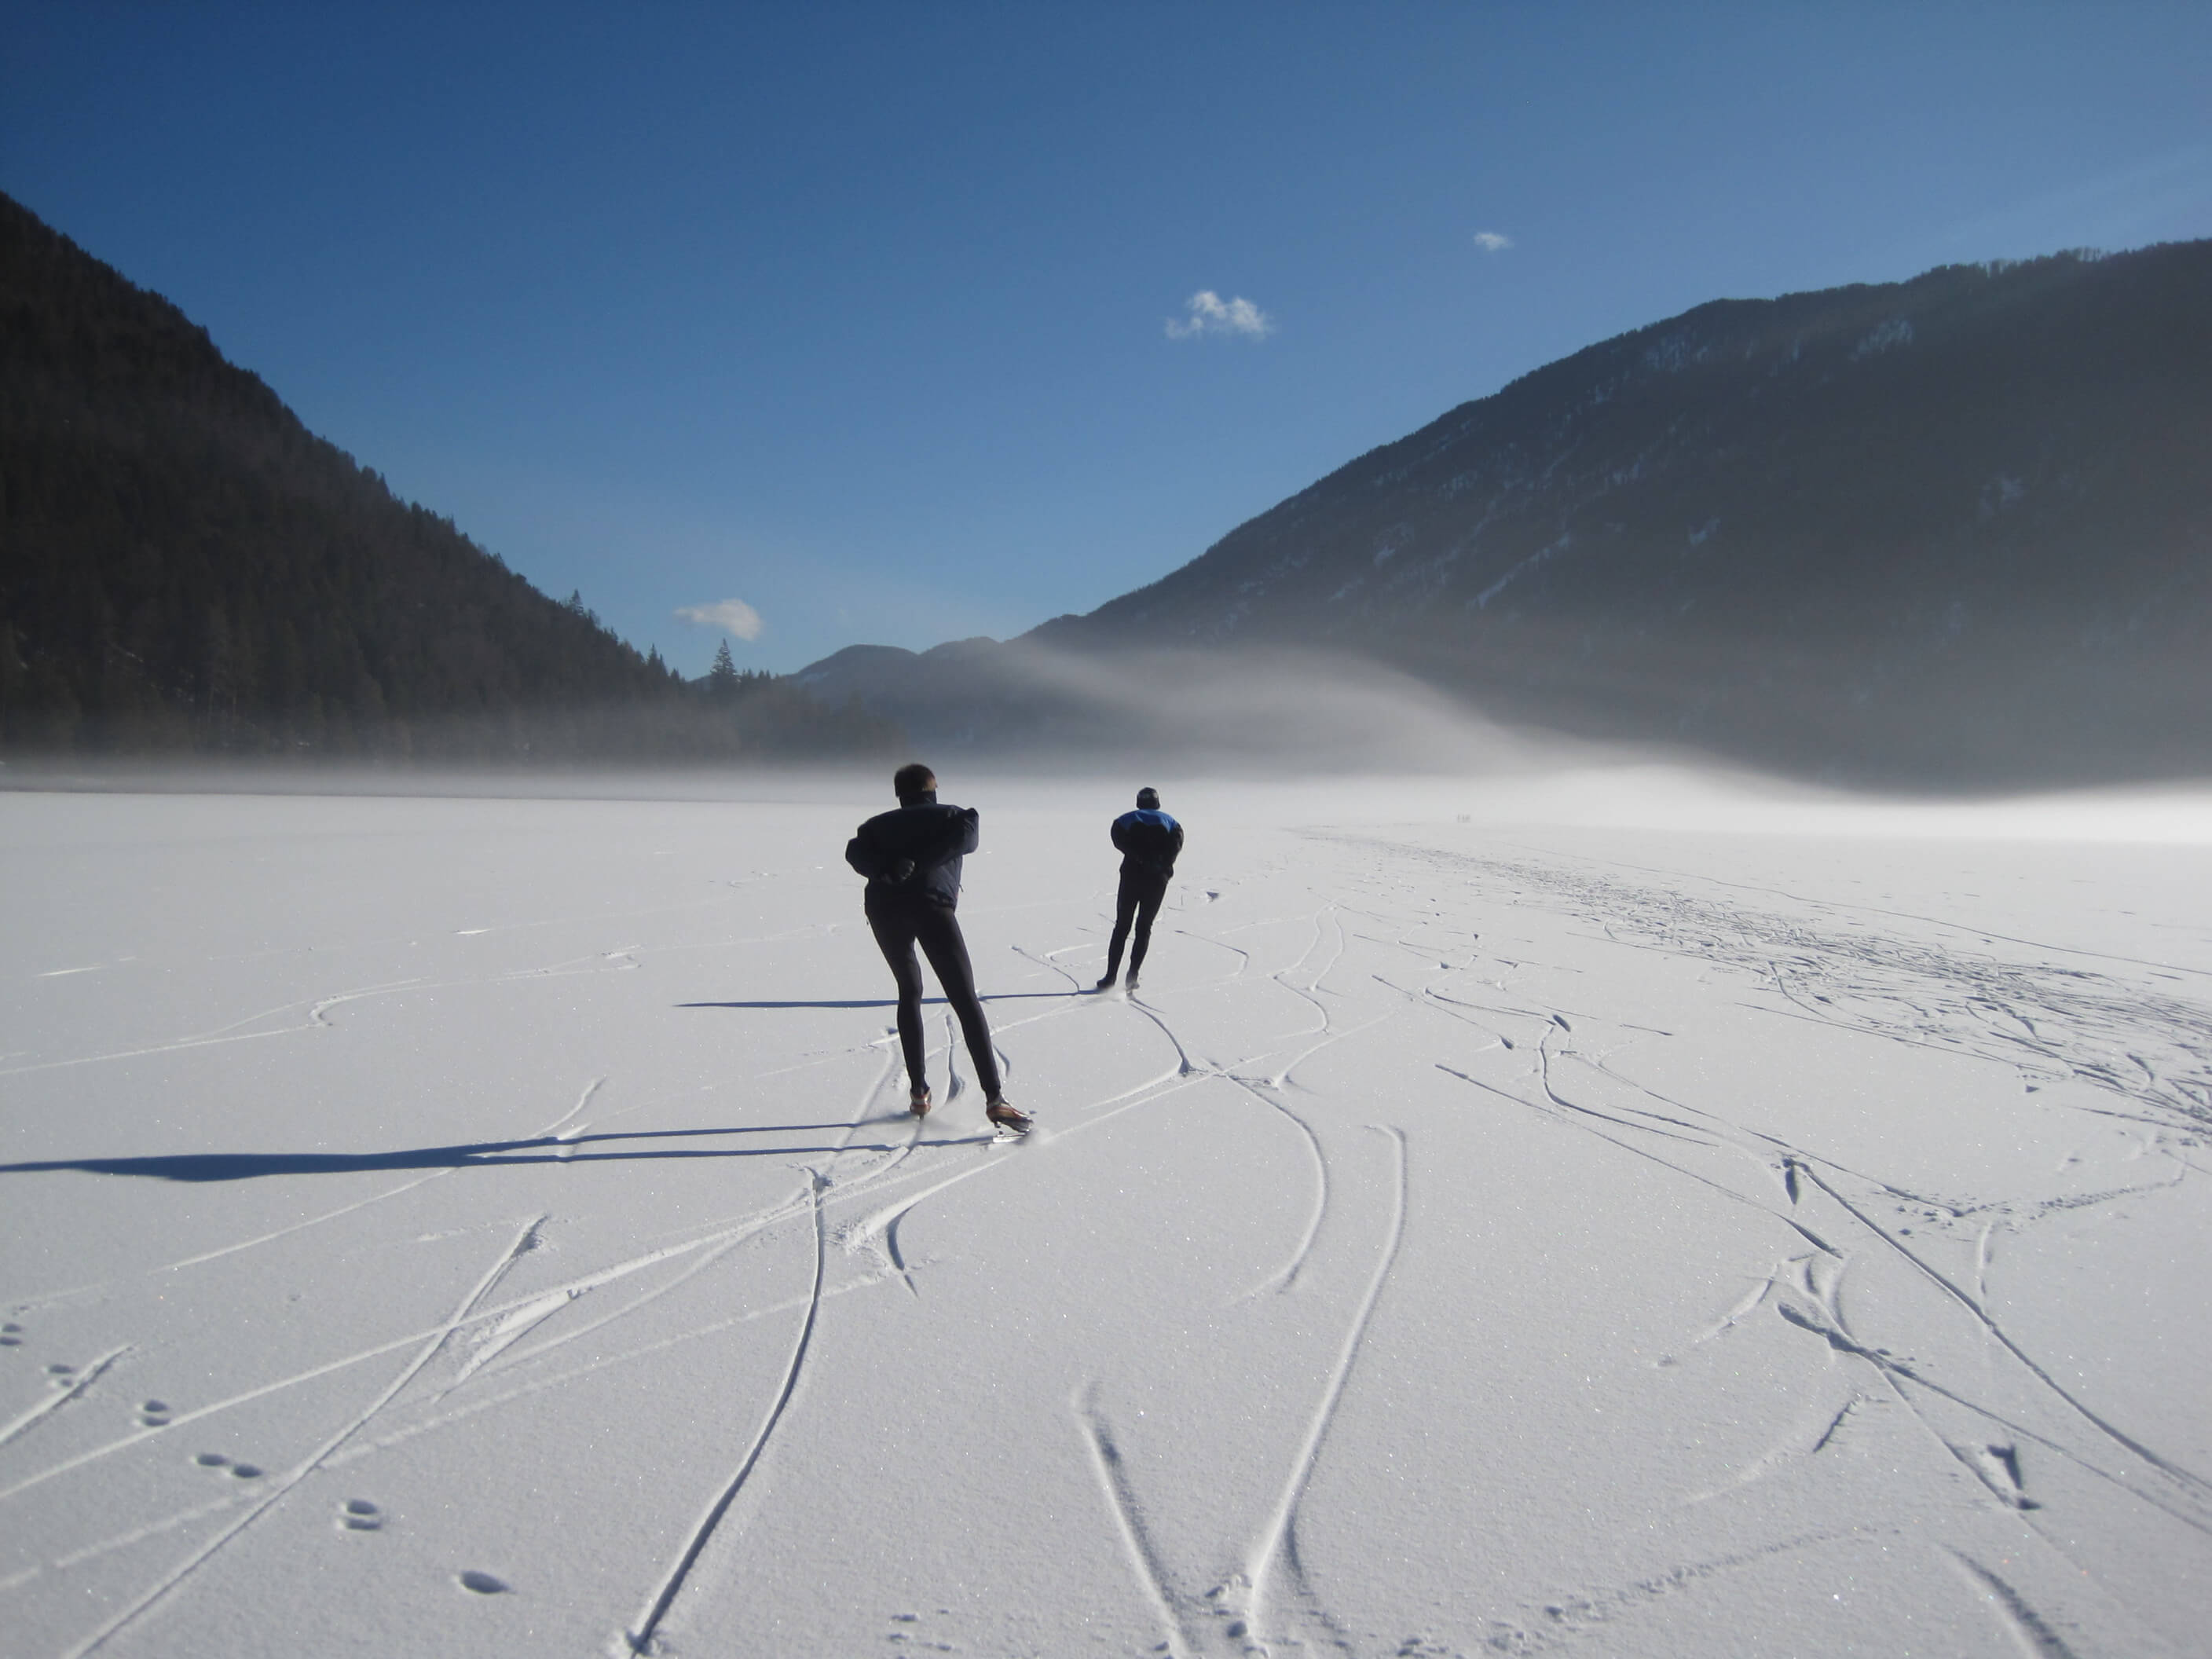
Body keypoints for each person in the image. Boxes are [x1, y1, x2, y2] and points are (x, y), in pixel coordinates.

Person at [845, 764, 1031, 1133]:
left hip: (884, 911)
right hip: (932, 908)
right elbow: (965, 840)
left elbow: (854, 853)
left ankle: (918, 1092)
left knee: (909, 991)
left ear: (899, 793)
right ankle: (995, 1099)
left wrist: (890, 869)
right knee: (964, 999)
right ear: (934, 788)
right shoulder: (955, 817)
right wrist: (920, 866)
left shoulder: (874, 827)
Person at [1097, 786, 1183, 992]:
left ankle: (1110, 977)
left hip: (1131, 876)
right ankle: (1132, 976)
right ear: (1157, 803)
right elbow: (1176, 847)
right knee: (1144, 928)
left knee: (1122, 927)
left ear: (1138, 803)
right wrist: (1161, 864)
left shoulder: (1124, 820)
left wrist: (1139, 857)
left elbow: (1119, 841)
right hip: (1158, 879)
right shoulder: (1172, 823)